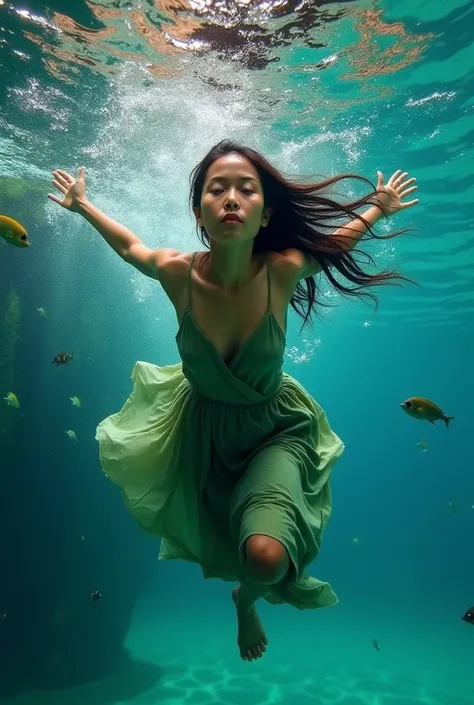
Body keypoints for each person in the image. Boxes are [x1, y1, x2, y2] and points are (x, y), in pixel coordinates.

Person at [48, 140, 418, 662]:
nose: (230, 198)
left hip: (276, 431)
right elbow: (131, 247)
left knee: (264, 558)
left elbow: (337, 244)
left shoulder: (282, 270)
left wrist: (378, 205)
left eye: (246, 190)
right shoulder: (177, 273)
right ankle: (245, 590)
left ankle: (246, 603)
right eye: (215, 189)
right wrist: (83, 205)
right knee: (236, 544)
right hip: (204, 430)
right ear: (199, 210)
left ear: (265, 214)